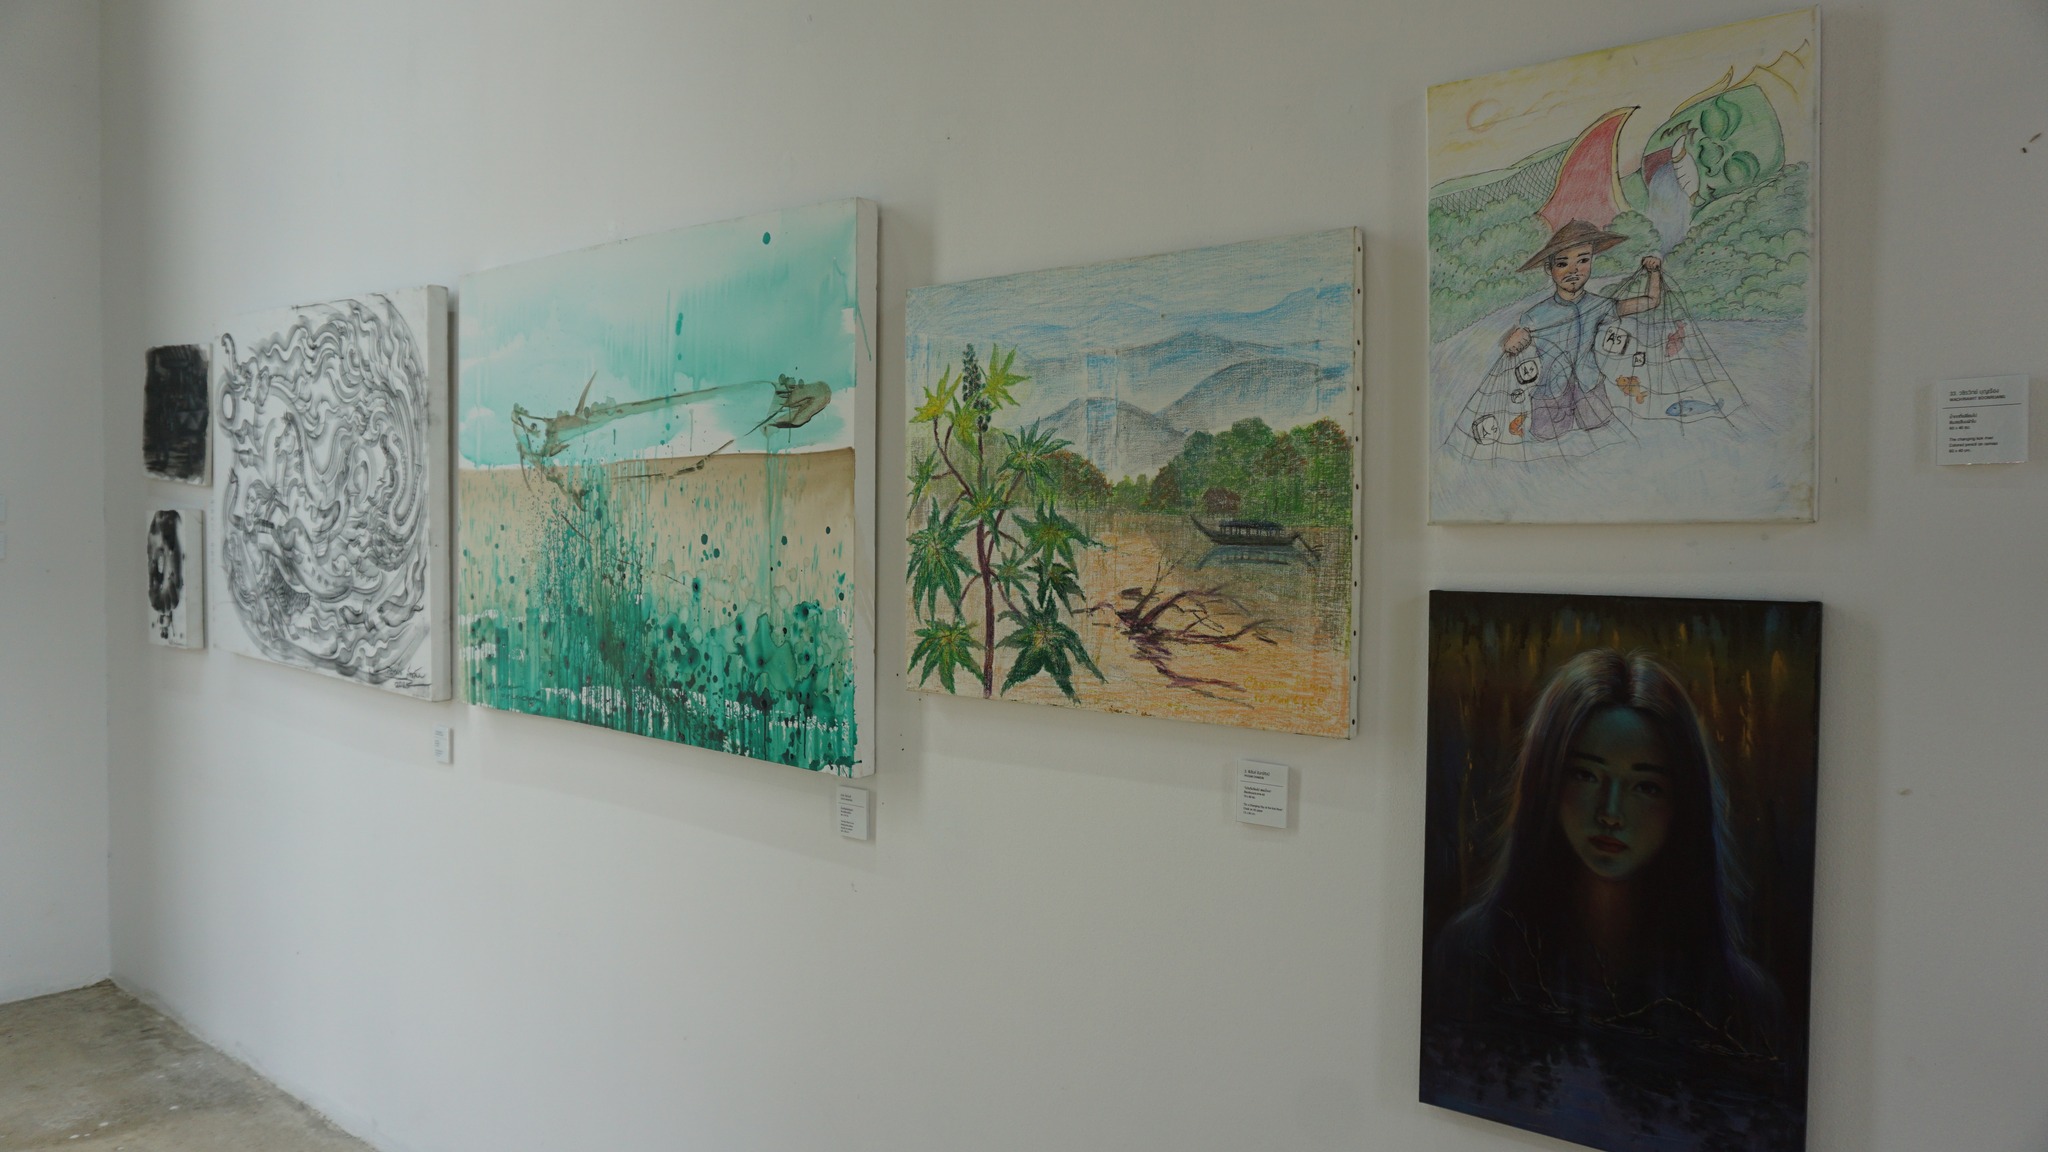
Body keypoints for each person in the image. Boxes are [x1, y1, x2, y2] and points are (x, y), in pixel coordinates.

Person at [1429, 647, 1778, 1054]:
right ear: (1547, 781)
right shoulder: (1471, 954)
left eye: (1645, 786)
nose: (1610, 813)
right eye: (1586, 775)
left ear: (1684, 804)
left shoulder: (1743, 1001)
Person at [1498, 221, 1664, 443]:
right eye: (1562, 263)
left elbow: (1651, 301)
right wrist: (1512, 342)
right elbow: (1516, 340)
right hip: (1551, 392)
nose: (1574, 270)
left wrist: (1654, 273)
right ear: (1549, 268)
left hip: (1590, 385)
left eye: (1583, 260)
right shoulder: (1536, 314)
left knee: (1601, 432)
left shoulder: (1598, 305)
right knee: (1546, 438)